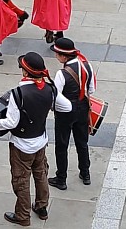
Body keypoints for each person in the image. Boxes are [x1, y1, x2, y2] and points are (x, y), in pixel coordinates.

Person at [0, 52, 71, 227]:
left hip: (21, 145)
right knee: (41, 175)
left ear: (25, 72)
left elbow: (11, 122)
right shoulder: (50, 89)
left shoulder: (18, 93)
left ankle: (23, 216)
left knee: (21, 180)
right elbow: (67, 106)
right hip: (40, 141)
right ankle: (42, 207)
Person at [48, 38, 96, 191]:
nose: (56, 56)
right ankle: (85, 173)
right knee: (82, 142)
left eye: (57, 54)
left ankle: (61, 178)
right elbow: (92, 90)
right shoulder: (87, 65)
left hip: (65, 112)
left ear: (64, 56)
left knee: (62, 145)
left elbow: (55, 96)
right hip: (83, 108)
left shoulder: (62, 74)